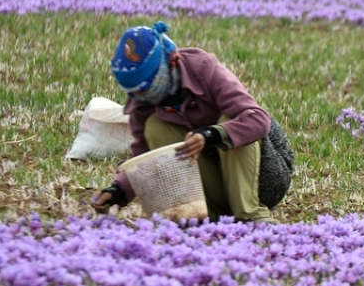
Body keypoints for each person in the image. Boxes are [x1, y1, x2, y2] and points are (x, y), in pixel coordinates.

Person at [91, 21, 294, 223]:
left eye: (145, 88)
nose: (141, 97)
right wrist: (117, 191)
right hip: (217, 182)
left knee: (230, 118)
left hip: (262, 178)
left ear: (168, 63)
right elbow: (144, 159)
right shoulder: (144, 100)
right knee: (155, 128)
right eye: (134, 92)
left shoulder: (204, 68)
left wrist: (210, 135)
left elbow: (258, 119)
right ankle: (207, 216)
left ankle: (250, 216)